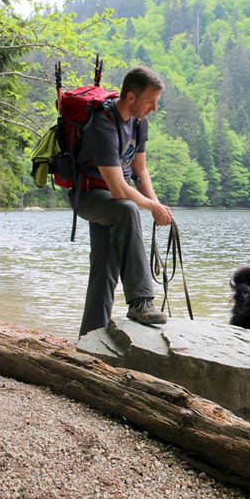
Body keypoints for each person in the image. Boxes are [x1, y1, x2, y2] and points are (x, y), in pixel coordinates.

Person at [71, 66, 172, 337]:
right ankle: (140, 301)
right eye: (150, 102)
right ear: (130, 97)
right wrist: (150, 207)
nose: (154, 108)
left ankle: (89, 339)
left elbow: (140, 170)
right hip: (90, 196)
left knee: (104, 270)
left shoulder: (139, 122)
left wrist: (157, 203)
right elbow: (117, 189)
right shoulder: (104, 124)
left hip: (112, 202)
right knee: (126, 209)